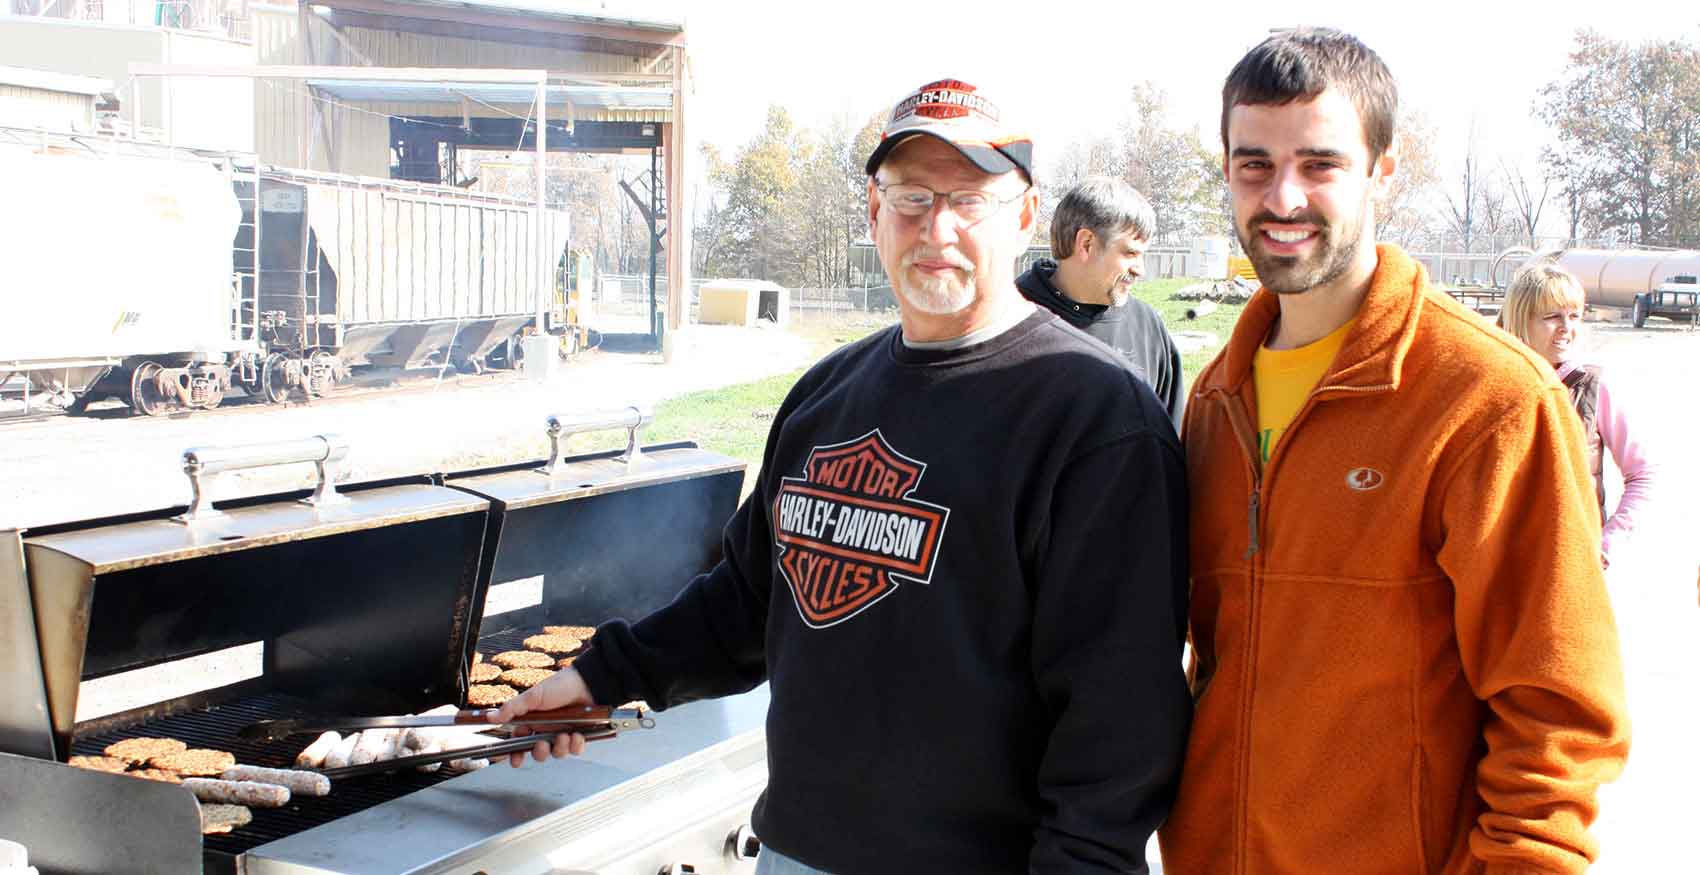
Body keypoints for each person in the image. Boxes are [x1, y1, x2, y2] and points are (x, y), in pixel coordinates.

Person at [495, 78, 1192, 874]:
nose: (939, 228)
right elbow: (748, 601)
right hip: (793, 852)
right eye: (913, 197)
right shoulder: (827, 397)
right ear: (873, 212)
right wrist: (601, 676)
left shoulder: (1097, 422)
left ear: (1026, 217)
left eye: (971, 200)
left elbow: (1119, 720)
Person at [1158, 28, 1629, 875]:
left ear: (1383, 169)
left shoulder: (1489, 401)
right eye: (1254, 163)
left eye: (1321, 163)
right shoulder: (1214, 400)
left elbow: (1558, 716)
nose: (1284, 196)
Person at [1497, 262, 1660, 569]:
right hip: (1504, 569)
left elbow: (1643, 474)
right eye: (1552, 317)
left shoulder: (1594, 388)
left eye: (1574, 316)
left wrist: (1607, 543)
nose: (1566, 328)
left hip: (1572, 568)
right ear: (1520, 319)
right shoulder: (1488, 385)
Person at [1017, 177, 1186, 428]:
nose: (1140, 269)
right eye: (1130, 253)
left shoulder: (1147, 328)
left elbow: (1170, 441)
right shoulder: (1008, 319)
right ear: (1086, 244)